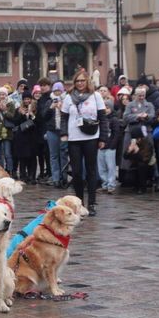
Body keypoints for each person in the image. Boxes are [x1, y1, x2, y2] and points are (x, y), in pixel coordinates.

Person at [60, 70, 109, 216]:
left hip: (91, 137)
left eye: (82, 81)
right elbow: (63, 117)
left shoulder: (96, 96)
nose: (80, 83)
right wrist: (63, 133)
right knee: (76, 172)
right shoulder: (69, 97)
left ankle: (92, 202)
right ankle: (79, 201)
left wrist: (103, 138)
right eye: (77, 81)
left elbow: (103, 118)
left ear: (87, 81)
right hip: (74, 138)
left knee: (91, 170)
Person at [42, 82, 67, 187]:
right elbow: (44, 116)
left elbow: (68, 116)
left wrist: (61, 109)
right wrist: (51, 108)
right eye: (55, 91)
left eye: (59, 91)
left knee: (64, 154)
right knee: (53, 155)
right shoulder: (49, 102)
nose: (57, 93)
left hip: (63, 132)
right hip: (52, 131)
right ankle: (56, 178)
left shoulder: (66, 100)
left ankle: (64, 177)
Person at [13, 90, 39, 184]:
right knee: (22, 157)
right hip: (22, 137)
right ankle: (23, 175)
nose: (27, 101)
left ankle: (32, 176)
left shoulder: (35, 108)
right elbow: (15, 122)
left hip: (32, 136)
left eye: (28, 99)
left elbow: (38, 122)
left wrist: (32, 115)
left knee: (32, 157)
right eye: (25, 99)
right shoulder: (18, 109)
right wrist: (21, 114)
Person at [98, 96, 121, 194]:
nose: (105, 110)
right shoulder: (99, 120)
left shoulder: (114, 120)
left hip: (110, 147)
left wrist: (112, 145)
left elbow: (116, 134)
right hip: (100, 147)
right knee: (101, 167)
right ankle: (104, 184)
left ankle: (111, 184)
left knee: (110, 167)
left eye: (107, 107)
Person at [123, 125, 154, 193]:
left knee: (141, 166)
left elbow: (145, 159)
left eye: (137, 138)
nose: (136, 140)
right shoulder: (133, 143)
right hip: (135, 165)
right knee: (131, 174)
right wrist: (129, 150)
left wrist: (137, 151)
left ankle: (142, 187)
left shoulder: (147, 144)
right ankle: (135, 185)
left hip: (146, 166)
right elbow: (125, 157)